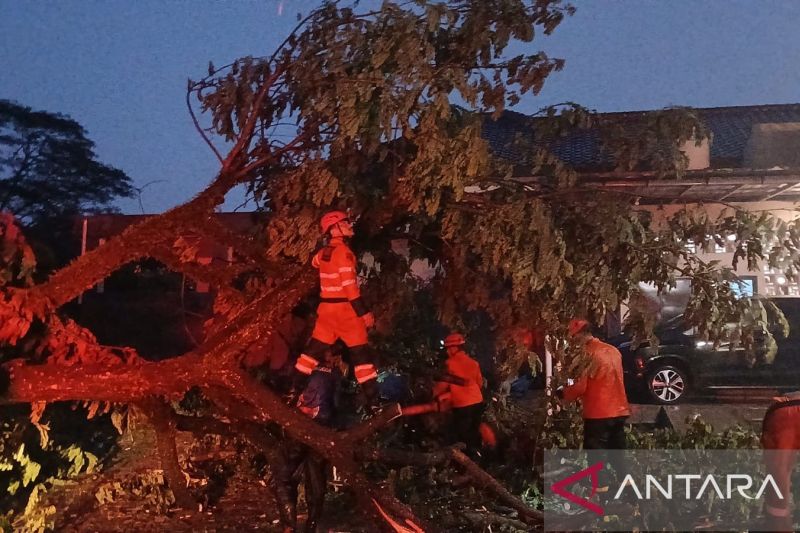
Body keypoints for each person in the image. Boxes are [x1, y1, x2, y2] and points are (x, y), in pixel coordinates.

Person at [294, 210, 381, 407]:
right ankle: (374, 402)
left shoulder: (324, 252)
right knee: (362, 357)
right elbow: (350, 289)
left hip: (326, 311)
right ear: (335, 229)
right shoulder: (345, 254)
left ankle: (293, 391)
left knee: (311, 353)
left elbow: (315, 262)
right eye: (345, 223)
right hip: (346, 312)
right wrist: (364, 313)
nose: (350, 226)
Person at [271, 351, 341, 533]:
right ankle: (312, 525)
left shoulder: (301, 366)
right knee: (316, 480)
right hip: (321, 431)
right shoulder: (334, 374)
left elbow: (286, 390)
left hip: (298, 428)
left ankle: (289, 525)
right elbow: (337, 403)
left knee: (285, 477)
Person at [558, 319, 630, 486]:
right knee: (618, 456)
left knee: (596, 456)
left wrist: (563, 393)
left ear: (580, 336)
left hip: (599, 413)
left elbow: (579, 386)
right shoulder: (613, 351)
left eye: (573, 338)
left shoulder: (587, 355)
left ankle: (601, 495)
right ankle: (629, 494)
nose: (572, 342)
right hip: (620, 411)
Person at [433, 332, 485, 456]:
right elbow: (480, 383)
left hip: (463, 406)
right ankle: (479, 457)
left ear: (454, 348)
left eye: (448, 349)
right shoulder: (474, 363)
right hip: (478, 402)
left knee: (461, 436)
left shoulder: (449, 364)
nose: (447, 352)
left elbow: (442, 385)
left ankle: (464, 463)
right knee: (473, 432)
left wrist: (433, 394)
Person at [761, 391, 800, 532]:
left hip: (784, 412)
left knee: (779, 472)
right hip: (786, 414)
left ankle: (778, 520)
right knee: (780, 472)